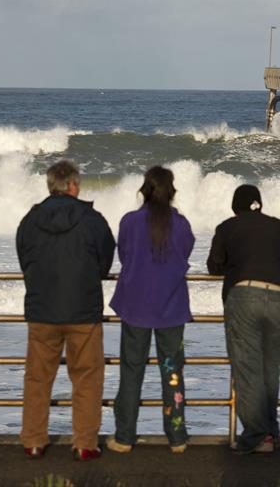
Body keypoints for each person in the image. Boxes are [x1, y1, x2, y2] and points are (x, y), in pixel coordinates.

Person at [16, 160, 115, 462]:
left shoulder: (30, 220)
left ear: (51, 185)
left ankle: (34, 441)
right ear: (73, 185)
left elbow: (24, 259)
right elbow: (105, 261)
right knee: (86, 377)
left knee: (37, 378)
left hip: (42, 309)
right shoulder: (92, 219)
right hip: (83, 310)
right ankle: (84, 443)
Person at [107, 166, 194, 454]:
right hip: (171, 307)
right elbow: (187, 251)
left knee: (131, 371)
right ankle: (177, 436)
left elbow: (123, 255)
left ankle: (124, 436)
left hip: (135, 306)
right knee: (172, 372)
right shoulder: (180, 224)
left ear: (144, 190)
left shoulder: (130, 222)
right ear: (172, 192)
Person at [207, 185, 280, 454]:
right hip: (279, 298)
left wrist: (235, 265)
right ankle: (270, 433)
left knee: (247, 369)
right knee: (270, 370)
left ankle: (256, 435)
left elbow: (214, 265)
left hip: (244, 296)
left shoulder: (227, 227)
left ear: (236, 206)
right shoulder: (279, 226)